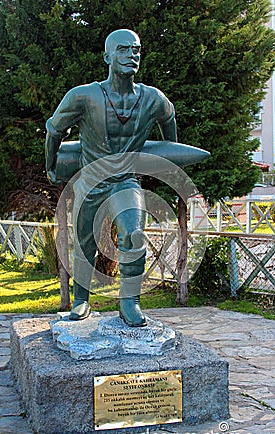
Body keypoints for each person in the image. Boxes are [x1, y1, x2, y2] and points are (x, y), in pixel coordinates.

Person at [45, 29, 177, 327]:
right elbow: (54, 130)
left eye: (136, 50)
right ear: (107, 56)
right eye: (123, 49)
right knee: (84, 243)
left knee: (133, 233)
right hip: (91, 180)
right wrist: (51, 166)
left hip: (125, 181)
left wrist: (169, 158)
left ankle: (129, 302)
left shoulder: (152, 99)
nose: (132, 55)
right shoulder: (83, 96)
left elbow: (169, 121)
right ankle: (81, 300)